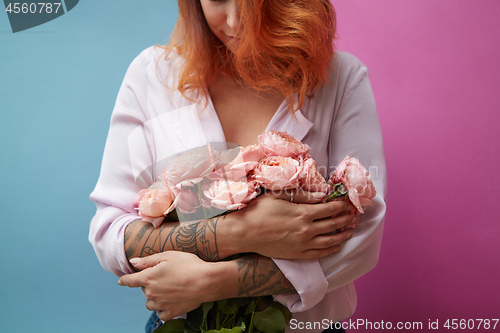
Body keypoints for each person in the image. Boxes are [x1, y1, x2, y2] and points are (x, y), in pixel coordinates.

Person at [89, 0, 387, 332]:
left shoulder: (340, 78)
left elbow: (363, 235)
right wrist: (240, 234)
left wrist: (220, 281)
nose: (234, 21)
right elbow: (109, 231)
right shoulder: (152, 75)